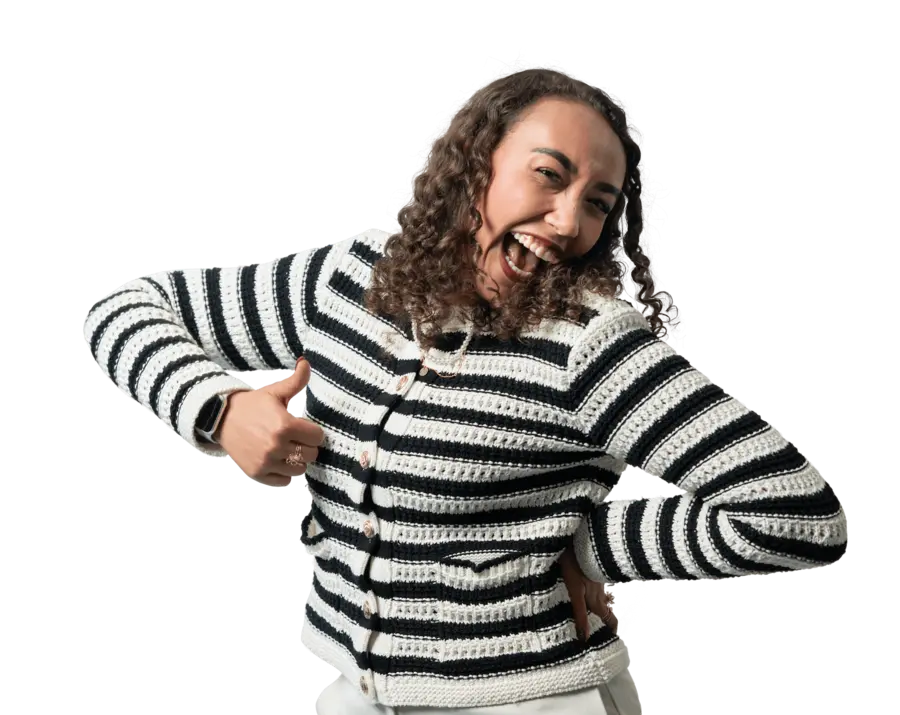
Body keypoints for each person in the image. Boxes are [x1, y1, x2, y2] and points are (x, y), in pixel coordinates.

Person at [81, 66, 848, 714]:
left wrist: (587, 544)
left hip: (530, 700)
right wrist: (216, 407)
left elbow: (798, 513)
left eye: (597, 202)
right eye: (549, 175)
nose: (566, 221)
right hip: (352, 691)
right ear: (476, 164)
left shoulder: (589, 345)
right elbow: (121, 309)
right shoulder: (350, 281)